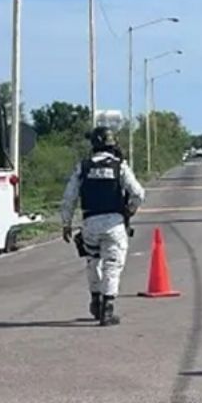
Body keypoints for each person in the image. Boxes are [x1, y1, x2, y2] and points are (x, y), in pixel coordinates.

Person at [60, 127, 145, 326]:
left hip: (90, 223)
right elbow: (138, 194)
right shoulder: (119, 166)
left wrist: (66, 223)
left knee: (92, 261)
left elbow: (69, 198)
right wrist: (129, 210)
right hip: (114, 224)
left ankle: (95, 300)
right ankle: (107, 309)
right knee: (112, 265)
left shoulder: (83, 167)